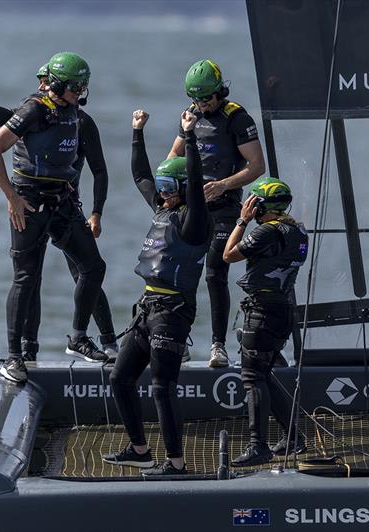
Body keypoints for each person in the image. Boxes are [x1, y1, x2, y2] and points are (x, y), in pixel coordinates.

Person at [0, 36, 118, 361]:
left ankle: (85, 338)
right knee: (27, 279)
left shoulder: (78, 117)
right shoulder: (32, 111)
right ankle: (18, 355)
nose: (81, 93)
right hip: (30, 204)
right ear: (57, 83)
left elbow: (100, 170)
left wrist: (95, 212)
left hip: (64, 204)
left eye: (83, 87)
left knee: (91, 268)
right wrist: (12, 197)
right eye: (76, 87)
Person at [103, 109, 212, 476]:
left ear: (181, 190)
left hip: (173, 312)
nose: (161, 195)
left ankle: (176, 464)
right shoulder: (162, 208)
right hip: (147, 309)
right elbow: (140, 176)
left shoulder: (194, 221)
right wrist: (137, 132)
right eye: (161, 189)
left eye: (169, 189)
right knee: (120, 378)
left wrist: (190, 137)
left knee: (162, 388)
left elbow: (196, 184)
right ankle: (139, 450)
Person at [167, 59, 266, 368]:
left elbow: (257, 166)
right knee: (180, 274)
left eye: (206, 98)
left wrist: (224, 185)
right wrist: (172, 188)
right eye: (196, 98)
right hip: (192, 207)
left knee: (214, 273)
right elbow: (173, 157)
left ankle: (218, 346)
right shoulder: (191, 116)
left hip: (223, 208)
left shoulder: (236, 118)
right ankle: (178, 342)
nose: (201, 104)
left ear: (219, 92)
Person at [222, 177, 308, 466]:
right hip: (282, 309)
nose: (250, 206)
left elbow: (228, 255)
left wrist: (241, 221)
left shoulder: (266, 232)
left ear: (261, 205)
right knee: (265, 373)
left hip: (262, 310)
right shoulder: (298, 229)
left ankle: (258, 446)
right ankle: (294, 437)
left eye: (254, 202)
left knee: (252, 378)